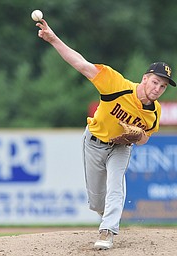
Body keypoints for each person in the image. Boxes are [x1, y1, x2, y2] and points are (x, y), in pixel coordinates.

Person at [35, 19, 176, 249]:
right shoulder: (115, 84)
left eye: (162, 87)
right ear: (145, 78)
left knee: (116, 187)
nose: (157, 89)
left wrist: (137, 135)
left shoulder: (154, 112)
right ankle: (106, 213)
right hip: (93, 142)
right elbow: (80, 63)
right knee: (97, 200)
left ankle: (107, 230)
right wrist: (53, 39)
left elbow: (145, 139)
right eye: (155, 82)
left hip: (121, 148)